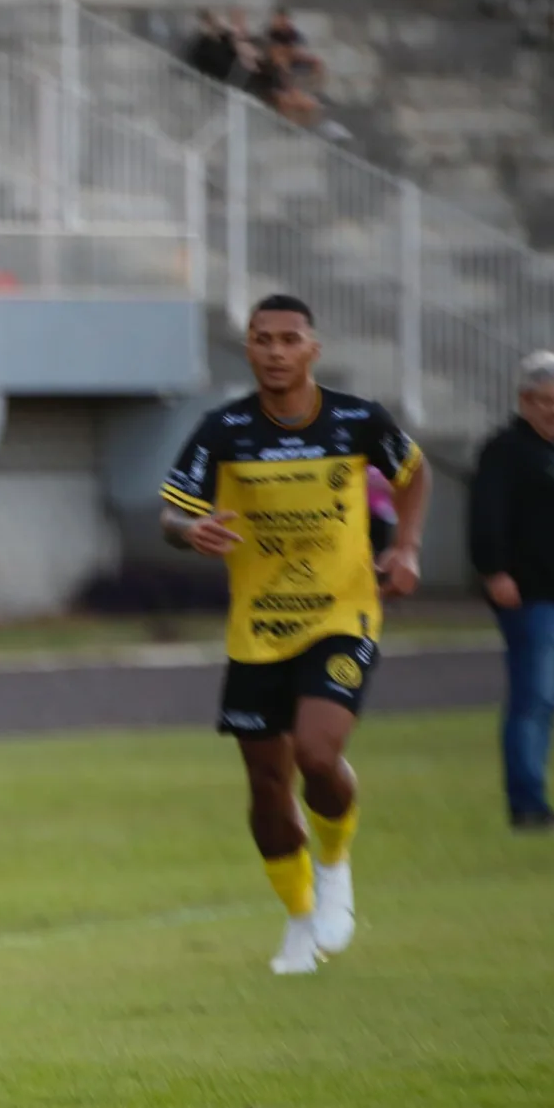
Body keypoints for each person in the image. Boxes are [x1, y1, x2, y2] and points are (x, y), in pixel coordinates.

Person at [160, 293, 431, 974]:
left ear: (313, 348)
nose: (275, 351)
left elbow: (413, 471)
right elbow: (173, 509)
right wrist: (188, 529)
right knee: (267, 786)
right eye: (262, 339)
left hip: (343, 614)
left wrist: (407, 547)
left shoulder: (356, 419)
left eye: (288, 339)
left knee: (315, 752)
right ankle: (300, 918)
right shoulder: (223, 429)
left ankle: (335, 861)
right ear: (248, 349)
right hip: (258, 628)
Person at [470, 352, 554, 833]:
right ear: (525, 400)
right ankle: (528, 806)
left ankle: (536, 802)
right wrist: (494, 570)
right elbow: (487, 515)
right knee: (533, 699)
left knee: (551, 701)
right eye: (549, 402)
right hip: (531, 597)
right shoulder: (507, 450)